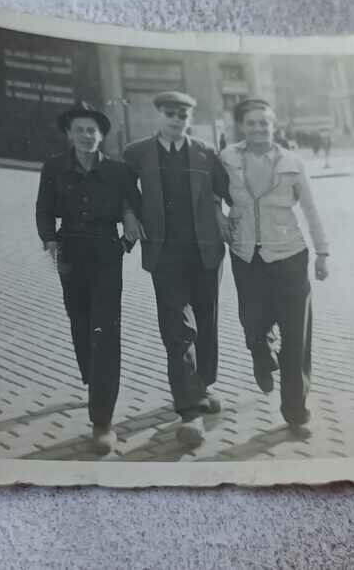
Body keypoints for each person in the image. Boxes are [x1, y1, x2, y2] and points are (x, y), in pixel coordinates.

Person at [122, 91, 229, 447]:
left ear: (190, 118)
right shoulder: (137, 153)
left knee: (207, 323)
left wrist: (220, 209)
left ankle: (203, 385)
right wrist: (129, 213)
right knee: (178, 329)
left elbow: (226, 190)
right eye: (170, 113)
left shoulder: (205, 152)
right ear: (159, 115)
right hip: (165, 254)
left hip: (205, 251)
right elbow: (120, 187)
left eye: (183, 114)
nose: (177, 119)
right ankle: (189, 411)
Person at [35, 103, 142, 455]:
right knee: (80, 325)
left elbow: (133, 206)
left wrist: (127, 235)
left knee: (105, 332)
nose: (86, 135)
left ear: (101, 135)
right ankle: (91, 377)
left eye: (92, 130)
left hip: (106, 254)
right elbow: (44, 208)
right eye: (79, 129)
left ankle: (102, 420)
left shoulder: (119, 171)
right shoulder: (54, 167)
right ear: (69, 133)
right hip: (70, 253)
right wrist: (49, 240)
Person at [220, 98, 329, 438]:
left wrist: (322, 252)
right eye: (252, 123)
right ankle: (261, 356)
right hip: (246, 256)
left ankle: (295, 409)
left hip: (289, 256)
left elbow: (310, 209)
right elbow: (211, 195)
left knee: (295, 335)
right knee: (253, 324)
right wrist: (218, 219)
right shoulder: (226, 159)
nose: (258, 129)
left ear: (274, 125)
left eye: (264, 123)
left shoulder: (292, 162)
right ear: (242, 126)